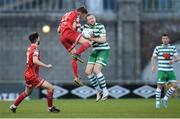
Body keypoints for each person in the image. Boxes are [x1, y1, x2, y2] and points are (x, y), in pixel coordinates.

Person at [9, 32, 60, 113]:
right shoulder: (35, 48)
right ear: (36, 39)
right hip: (32, 75)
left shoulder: (29, 48)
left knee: (27, 93)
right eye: (39, 37)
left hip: (27, 74)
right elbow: (35, 61)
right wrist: (46, 66)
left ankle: (13, 106)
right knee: (51, 88)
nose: (40, 39)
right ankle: (50, 108)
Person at [57, 6, 92, 86]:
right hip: (69, 32)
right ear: (81, 12)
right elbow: (74, 27)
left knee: (74, 58)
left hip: (62, 37)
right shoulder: (76, 14)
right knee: (89, 43)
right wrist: (81, 32)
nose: (83, 17)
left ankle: (76, 77)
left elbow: (58, 30)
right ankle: (77, 54)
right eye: (83, 16)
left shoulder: (65, 15)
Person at [82, 14, 110, 101]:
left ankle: (105, 91)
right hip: (95, 51)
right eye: (89, 19)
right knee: (87, 72)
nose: (92, 20)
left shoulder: (100, 26)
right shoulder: (85, 27)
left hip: (103, 50)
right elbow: (76, 29)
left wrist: (91, 37)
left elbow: (103, 40)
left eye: (93, 18)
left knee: (96, 70)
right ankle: (99, 91)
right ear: (87, 21)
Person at [151, 33, 179, 108]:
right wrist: (153, 66)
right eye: (163, 38)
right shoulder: (158, 48)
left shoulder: (172, 48)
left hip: (170, 70)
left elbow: (177, 58)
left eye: (166, 38)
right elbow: (153, 57)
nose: (165, 40)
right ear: (162, 40)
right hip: (161, 70)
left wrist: (173, 61)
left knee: (174, 85)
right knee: (159, 86)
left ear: (168, 39)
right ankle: (157, 103)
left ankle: (165, 99)